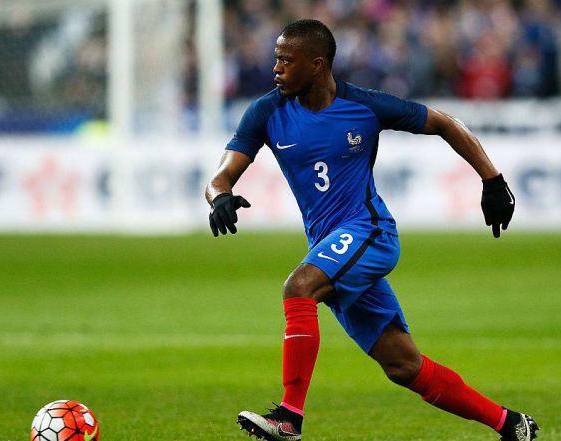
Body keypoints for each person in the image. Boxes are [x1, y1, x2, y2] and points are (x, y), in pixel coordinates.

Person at [204, 19, 538, 441]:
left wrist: (492, 179)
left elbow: (446, 122)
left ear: (317, 64)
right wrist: (219, 197)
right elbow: (221, 175)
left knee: (299, 286)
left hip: (370, 232)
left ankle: (289, 418)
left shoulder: (364, 106)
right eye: (276, 59)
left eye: (286, 60)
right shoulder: (266, 112)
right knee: (404, 366)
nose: (276, 68)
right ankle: (511, 424)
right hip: (332, 249)